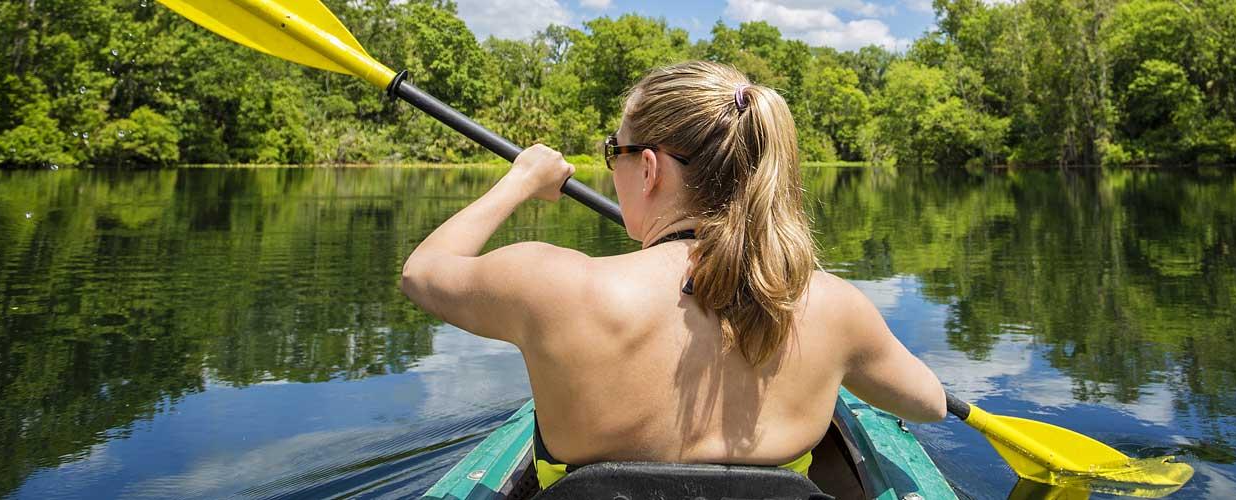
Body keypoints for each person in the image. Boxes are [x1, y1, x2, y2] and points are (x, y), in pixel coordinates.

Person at [400, 61, 945, 490]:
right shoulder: (831, 306)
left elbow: (422, 272)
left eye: (615, 150)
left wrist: (519, 182)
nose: (612, 167)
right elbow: (929, 403)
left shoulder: (552, 287)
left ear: (651, 168)